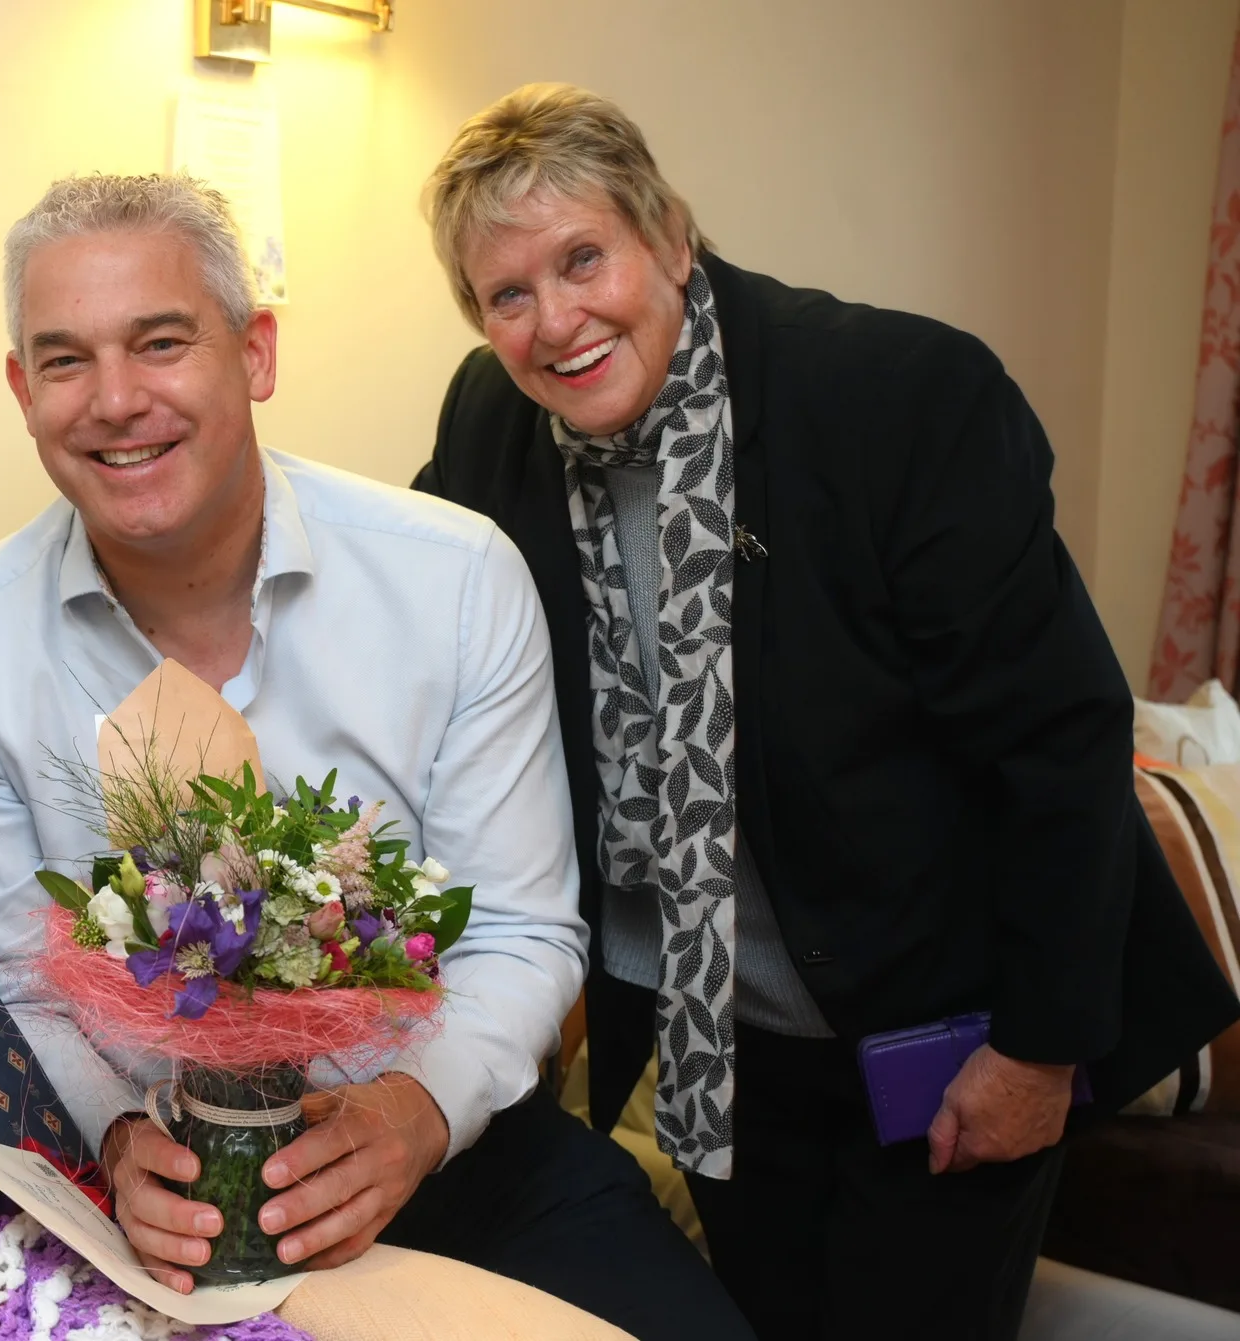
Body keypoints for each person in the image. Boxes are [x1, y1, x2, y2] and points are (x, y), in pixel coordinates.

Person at [414, 83, 1240, 1340]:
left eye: (583, 259)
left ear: (670, 237)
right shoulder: (491, 418)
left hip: (948, 1023)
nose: (554, 321)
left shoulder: (893, 396)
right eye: (504, 295)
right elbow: (411, 604)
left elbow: (1058, 746)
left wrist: (1032, 1054)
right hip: (719, 1044)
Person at [0, 172, 755, 1341]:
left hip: (450, 1146)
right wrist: (121, 1138)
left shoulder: (453, 577)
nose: (115, 400)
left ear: (254, 354)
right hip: (163, 1200)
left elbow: (523, 928)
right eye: (64, 361)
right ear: (20, 391)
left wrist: (413, 1113)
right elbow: (20, 979)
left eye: (159, 342)